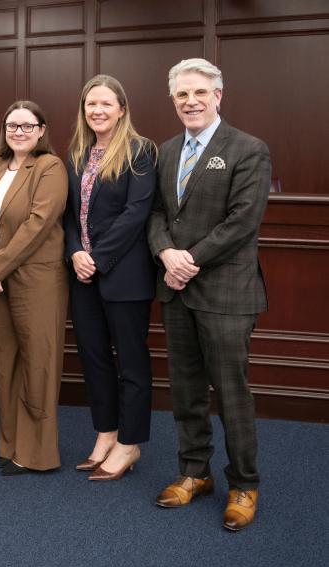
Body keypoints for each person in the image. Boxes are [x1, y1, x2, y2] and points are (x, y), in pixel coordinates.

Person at [147, 58, 270, 531]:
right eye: (182, 95)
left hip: (224, 291)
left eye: (199, 92)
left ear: (218, 95)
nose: (191, 101)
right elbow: (156, 214)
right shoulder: (166, 151)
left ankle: (244, 483)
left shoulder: (248, 149)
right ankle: (193, 472)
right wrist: (165, 255)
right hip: (176, 289)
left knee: (231, 392)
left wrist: (187, 260)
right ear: (173, 100)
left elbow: (243, 221)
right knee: (187, 390)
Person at [63, 75, 157, 481]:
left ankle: (129, 444)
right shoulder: (78, 152)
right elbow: (68, 214)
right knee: (94, 358)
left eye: (105, 104)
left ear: (121, 108)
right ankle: (106, 433)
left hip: (124, 274)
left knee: (131, 363)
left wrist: (97, 258)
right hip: (82, 274)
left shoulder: (140, 151)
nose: (97, 111)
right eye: (90, 104)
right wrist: (75, 253)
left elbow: (136, 213)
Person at [0, 100, 69, 476]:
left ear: (42, 130)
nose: (19, 132)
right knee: (3, 359)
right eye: (13, 125)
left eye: (28, 126)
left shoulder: (49, 167)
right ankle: (9, 445)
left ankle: (36, 453)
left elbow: (39, 223)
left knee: (38, 362)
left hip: (37, 276)